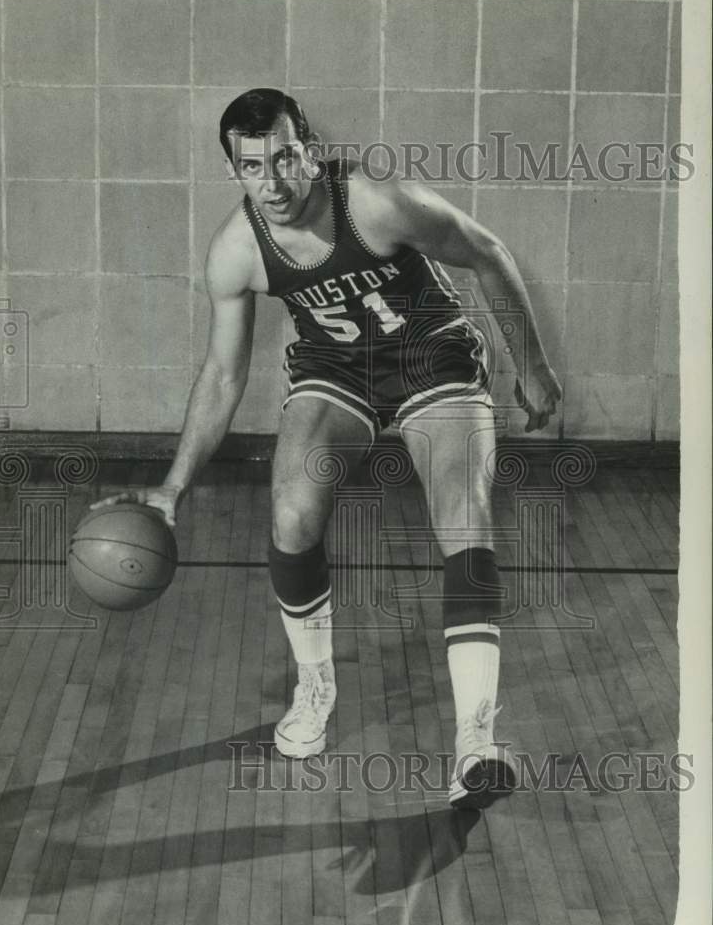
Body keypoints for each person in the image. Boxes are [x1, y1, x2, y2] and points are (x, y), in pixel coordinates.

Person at [92, 89, 562, 810]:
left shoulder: (378, 201)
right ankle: (315, 687)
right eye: (253, 167)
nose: (273, 182)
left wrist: (530, 364)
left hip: (430, 355)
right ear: (234, 171)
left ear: (309, 148)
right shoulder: (236, 251)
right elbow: (223, 373)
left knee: (463, 514)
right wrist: (172, 488)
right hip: (335, 370)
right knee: (290, 515)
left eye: (284, 158)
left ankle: (475, 740)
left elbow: (487, 252)